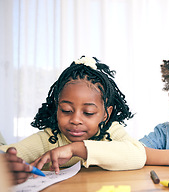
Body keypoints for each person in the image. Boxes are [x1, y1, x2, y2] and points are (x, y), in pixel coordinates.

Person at [0, 56, 146, 184]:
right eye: (66, 111)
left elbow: (138, 155)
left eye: (88, 113)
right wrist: (7, 164)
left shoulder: (110, 131)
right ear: (57, 108)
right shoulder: (50, 139)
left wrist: (76, 149)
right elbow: (5, 154)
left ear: (106, 114)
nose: (75, 120)